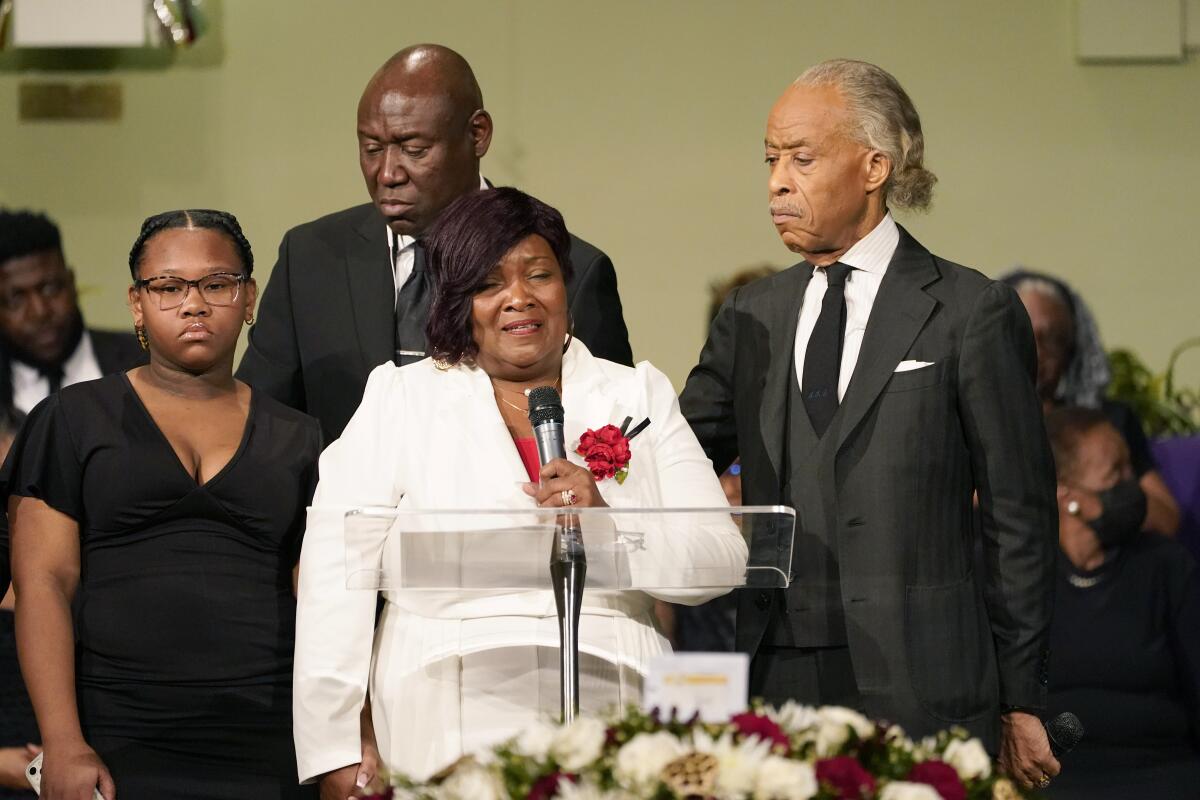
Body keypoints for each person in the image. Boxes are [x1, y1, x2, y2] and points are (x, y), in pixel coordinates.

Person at [679, 59, 1060, 790]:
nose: (776, 182)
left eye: (801, 157)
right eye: (769, 159)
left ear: (875, 166)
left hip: (926, 684)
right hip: (778, 679)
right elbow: (680, 452)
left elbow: (1018, 520)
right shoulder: (751, 316)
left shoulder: (969, 312)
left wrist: (1024, 696)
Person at [292, 188, 746, 791]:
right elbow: (333, 574)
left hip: (613, 707)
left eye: (540, 275)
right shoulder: (401, 399)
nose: (519, 299)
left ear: (567, 288)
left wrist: (607, 526)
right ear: (458, 302)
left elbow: (721, 558)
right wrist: (337, 745)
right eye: (488, 284)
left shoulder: (637, 393)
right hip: (444, 709)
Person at [4, 210, 322, 799]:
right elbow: (43, 580)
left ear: (248, 297)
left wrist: (344, 736)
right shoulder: (73, 418)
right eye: (169, 287)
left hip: (271, 736)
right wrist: (63, 740)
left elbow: (321, 596)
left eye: (216, 284)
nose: (193, 304)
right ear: (136, 304)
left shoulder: (299, 435)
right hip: (117, 736)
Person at [238, 44, 633, 442]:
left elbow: (613, 437)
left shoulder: (572, 272)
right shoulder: (309, 258)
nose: (388, 173)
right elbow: (262, 424)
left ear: (477, 134)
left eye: (414, 150)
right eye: (371, 148)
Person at [1043, 407, 1200, 799]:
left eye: (1131, 470)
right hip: (1054, 782)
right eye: (1115, 474)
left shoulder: (1166, 566)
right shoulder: (1026, 576)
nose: (1133, 486)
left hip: (1161, 774)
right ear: (1067, 494)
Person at [1003, 269, 1180, 536]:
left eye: (1052, 338)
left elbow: (1166, 519)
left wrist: (1090, 504)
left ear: (1072, 352)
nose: (1037, 350)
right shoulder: (964, 420)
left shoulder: (1104, 421)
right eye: (1022, 331)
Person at [0, 209, 146, 415]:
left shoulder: (144, 361)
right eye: (16, 299)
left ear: (71, 281)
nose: (40, 312)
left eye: (50, 288)